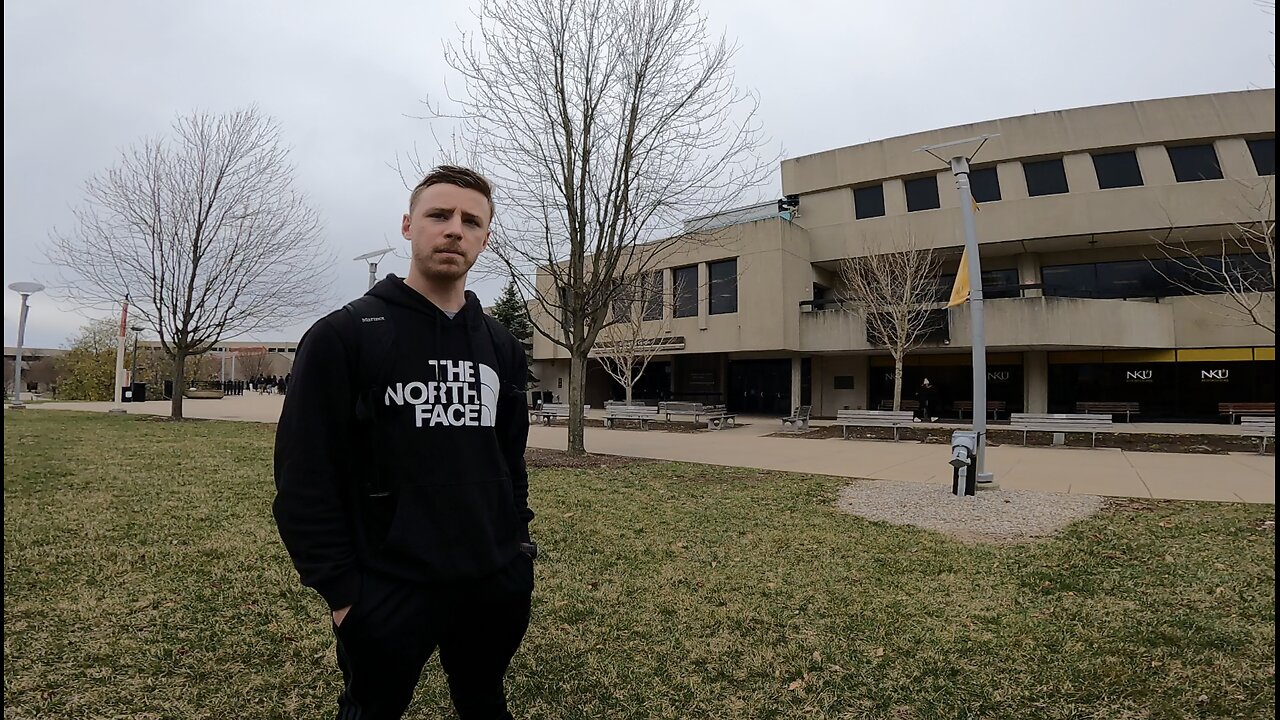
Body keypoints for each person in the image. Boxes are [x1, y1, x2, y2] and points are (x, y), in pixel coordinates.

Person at [273, 166, 535, 720]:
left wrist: (516, 554)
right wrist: (344, 595)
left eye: (471, 221)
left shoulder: (502, 347)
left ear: (485, 238)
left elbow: (510, 462)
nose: (454, 230)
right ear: (407, 225)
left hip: (491, 584)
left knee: (486, 704)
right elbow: (303, 478)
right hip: (386, 589)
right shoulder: (343, 335)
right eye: (439, 215)